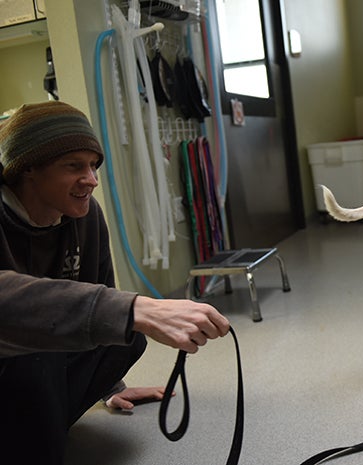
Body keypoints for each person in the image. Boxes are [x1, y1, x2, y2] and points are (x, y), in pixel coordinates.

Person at [0, 101, 230, 464]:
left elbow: (99, 292)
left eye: (93, 165)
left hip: (37, 382)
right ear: (27, 168)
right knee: (36, 354)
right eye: (73, 166)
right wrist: (136, 308)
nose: (91, 179)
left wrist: (108, 386)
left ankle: (37, 428)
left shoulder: (87, 215)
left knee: (126, 337)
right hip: (13, 362)